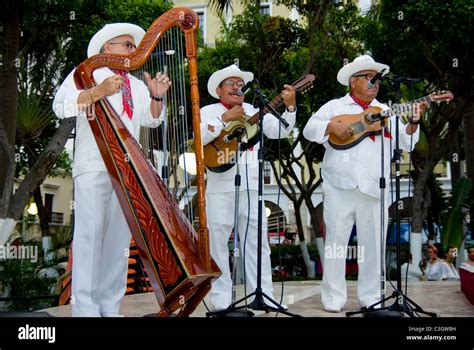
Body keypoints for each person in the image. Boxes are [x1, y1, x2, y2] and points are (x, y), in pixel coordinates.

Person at [53, 23, 171, 317]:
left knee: (118, 241)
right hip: (93, 166)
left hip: (126, 171)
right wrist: (97, 92)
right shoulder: (87, 74)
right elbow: (60, 105)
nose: (133, 51)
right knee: (89, 237)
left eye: (134, 46)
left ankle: (109, 306)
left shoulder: (135, 84)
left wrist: (156, 97)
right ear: (108, 48)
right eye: (128, 45)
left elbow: (151, 120)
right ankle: (85, 309)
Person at [303, 55, 425, 313]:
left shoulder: (385, 111)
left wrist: (414, 121)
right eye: (368, 78)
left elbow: (407, 143)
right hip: (339, 186)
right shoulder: (335, 106)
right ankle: (333, 297)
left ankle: (370, 297)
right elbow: (309, 129)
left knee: (374, 246)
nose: (374, 83)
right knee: (336, 243)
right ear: (352, 81)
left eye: (376, 78)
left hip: (374, 186)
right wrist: (331, 127)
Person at [200, 64, 297, 311]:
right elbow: (199, 137)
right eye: (230, 83)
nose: (236, 87)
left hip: (253, 187)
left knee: (257, 243)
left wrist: (290, 106)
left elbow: (282, 131)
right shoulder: (208, 111)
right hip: (221, 186)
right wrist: (224, 119)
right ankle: (221, 298)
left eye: (239, 83)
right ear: (219, 90)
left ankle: (263, 294)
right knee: (218, 243)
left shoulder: (255, 110)